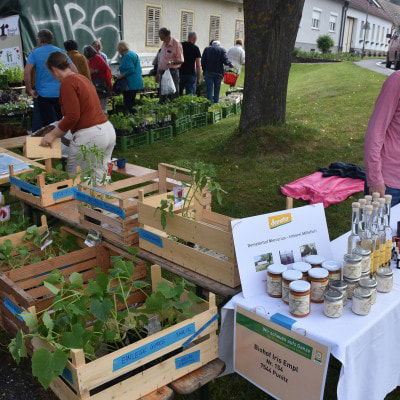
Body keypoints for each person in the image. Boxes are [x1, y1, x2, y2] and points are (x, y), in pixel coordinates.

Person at [39, 52, 115, 184]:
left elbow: (72, 116)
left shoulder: (67, 83)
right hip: (107, 131)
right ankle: (103, 203)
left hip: (91, 135)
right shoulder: (82, 78)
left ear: (54, 70)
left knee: (77, 180)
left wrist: (52, 135)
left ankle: (84, 205)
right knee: (100, 177)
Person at [24, 29, 77, 128]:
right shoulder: (60, 51)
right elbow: (74, 70)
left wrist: (29, 89)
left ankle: (51, 140)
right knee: (63, 121)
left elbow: (27, 72)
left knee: (47, 124)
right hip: (61, 93)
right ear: (51, 39)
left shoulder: (35, 53)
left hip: (43, 94)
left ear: (39, 40)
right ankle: (63, 141)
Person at [364, 71, 400, 206]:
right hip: (389, 184)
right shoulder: (397, 80)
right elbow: (375, 131)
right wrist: (375, 179)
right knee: (377, 227)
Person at [115, 41, 143, 113]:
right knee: (131, 101)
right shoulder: (132, 54)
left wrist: (121, 76)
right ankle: (135, 118)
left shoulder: (127, 56)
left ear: (122, 48)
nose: (118, 52)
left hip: (130, 83)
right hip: (135, 82)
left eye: (118, 49)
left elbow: (131, 69)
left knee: (128, 103)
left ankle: (132, 119)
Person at [157, 27, 184, 102]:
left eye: (160, 34)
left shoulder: (176, 43)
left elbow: (181, 60)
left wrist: (172, 62)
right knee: (163, 93)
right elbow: (161, 59)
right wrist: (158, 72)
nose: (159, 36)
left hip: (172, 71)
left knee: (173, 92)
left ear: (165, 35)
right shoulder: (164, 43)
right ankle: (162, 109)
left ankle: (174, 109)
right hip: (163, 72)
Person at [83, 45, 112, 113]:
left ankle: (103, 119)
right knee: (100, 103)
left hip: (101, 83)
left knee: (102, 104)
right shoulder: (94, 58)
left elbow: (94, 70)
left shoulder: (96, 58)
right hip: (100, 82)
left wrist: (86, 72)